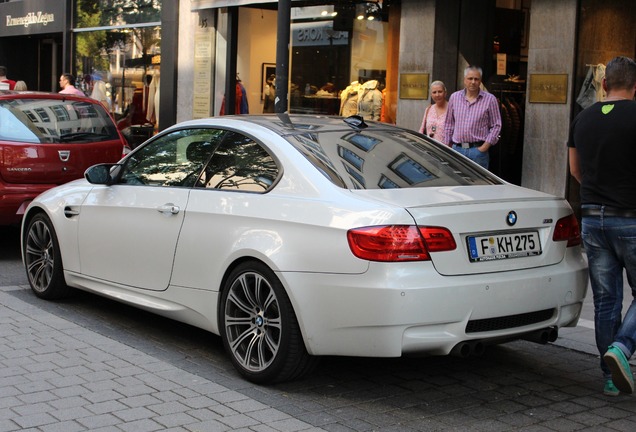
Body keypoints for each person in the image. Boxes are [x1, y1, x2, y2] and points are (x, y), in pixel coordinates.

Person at [568, 56, 636, 397]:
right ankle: (622, 349)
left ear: (604, 84)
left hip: (593, 218)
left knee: (607, 301)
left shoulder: (583, 118)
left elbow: (575, 169)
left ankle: (610, 378)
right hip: (631, 218)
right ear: (635, 86)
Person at [443, 65, 502, 169]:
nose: (473, 82)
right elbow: (449, 123)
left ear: (480, 81)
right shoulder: (454, 97)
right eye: (470, 78)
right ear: (464, 80)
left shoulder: (490, 99)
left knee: (478, 183)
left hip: (478, 151)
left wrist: (484, 147)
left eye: (476, 79)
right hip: (457, 150)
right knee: (458, 182)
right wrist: (448, 146)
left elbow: (496, 125)